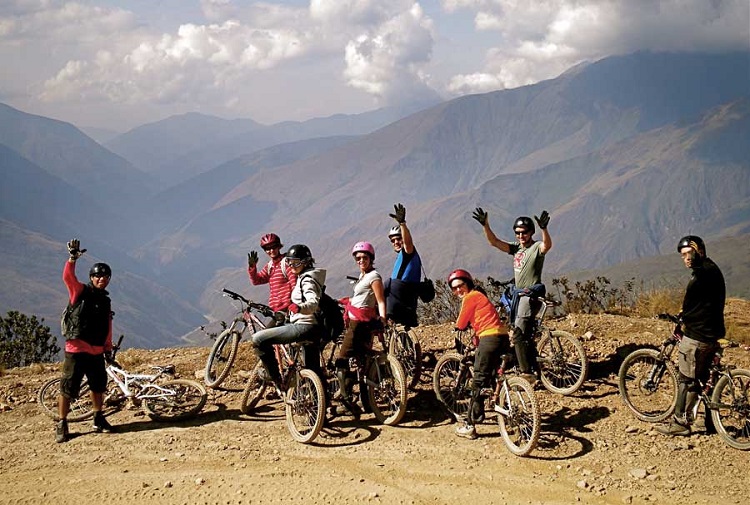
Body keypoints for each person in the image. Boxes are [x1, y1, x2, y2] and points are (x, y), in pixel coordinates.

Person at [657, 235, 725, 436]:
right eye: (682, 255)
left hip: (697, 336)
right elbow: (701, 305)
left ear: (699, 251)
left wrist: (682, 317)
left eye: (688, 253)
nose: (685, 258)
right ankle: (712, 421)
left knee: (687, 379)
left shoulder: (700, 277)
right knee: (705, 377)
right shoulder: (711, 269)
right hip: (714, 334)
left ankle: (680, 422)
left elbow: (692, 308)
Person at [472, 207, 551, 377]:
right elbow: (495, 242)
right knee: (522, 333)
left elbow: (547, 246)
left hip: (529, 296)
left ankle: (526, 373)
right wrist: (485, 225)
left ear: (531, 232)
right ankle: (530, 363)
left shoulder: (536, 247)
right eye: (517, 233)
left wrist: (544, 229)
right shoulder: (516, 249)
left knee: (518, 334)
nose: (520, 236)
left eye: (524, 233)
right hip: (519, 295)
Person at [56, 239, 115, 443]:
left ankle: (98, 418)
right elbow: (67, 277)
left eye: (106, 276)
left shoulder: (105, 300)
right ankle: (62, 423)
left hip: (97, 350)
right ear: (91, 277)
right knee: (68, 387)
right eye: (98, 275)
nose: (102, 279)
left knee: (98, 386)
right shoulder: (79, 291)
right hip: (76, 349)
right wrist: (72, 259)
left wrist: (107, 346)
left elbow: (107, 325)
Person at [250, 244, 325, 390]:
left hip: (303, 324)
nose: (292, 266)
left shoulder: (306, 280)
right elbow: (258, 280)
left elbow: (312, 302)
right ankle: (322, 403)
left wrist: (298, 307)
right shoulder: (277, 267)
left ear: (306, 262)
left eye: (295, 263)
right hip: (307, 323)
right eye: (290, 262)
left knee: (259, 339)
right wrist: (253, 268)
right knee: (313, 368)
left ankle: (276, 378)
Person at [448, 269, 511, 440]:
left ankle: (470, 425)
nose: (458, 290)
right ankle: (493, 406)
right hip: (502, 337)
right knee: (491, 374)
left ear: (468, 284)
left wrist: (456, 327)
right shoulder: (480, 296)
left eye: (461, 286)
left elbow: (461, 323)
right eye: (454, 288)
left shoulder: (471, 297)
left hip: (489, 339)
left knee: (477, 381)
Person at [335, 242, 387, 418]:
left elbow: (380, 300)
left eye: (365, 257)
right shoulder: (362, 276)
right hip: (357, 321)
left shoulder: (374, 276)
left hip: (359, 324)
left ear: (371, 258)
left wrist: (383, 319)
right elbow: (362, 298)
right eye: (358, 258)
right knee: (361, 361)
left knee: (342, 359)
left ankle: (346, 401)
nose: (361, 260)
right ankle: (368, 403)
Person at [247, 233, 297, 327]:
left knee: (266, 338)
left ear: (279, 247)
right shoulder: (270, 266)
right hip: (276, 310)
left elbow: (294, 284)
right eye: (267, 249)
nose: (271, 250)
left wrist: (294, 304)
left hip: (287, 309)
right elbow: (257, 281)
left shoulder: (286, 263)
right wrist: (252, 268)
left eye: (274, 247)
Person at [385, 203, 422, 329]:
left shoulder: (408, 251)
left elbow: (408, 242)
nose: (396, 242)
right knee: (404, 326)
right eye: (393, 241)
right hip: (410, 294)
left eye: (398, 239)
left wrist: (402, 224)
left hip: (400, 292)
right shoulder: (402, 256)